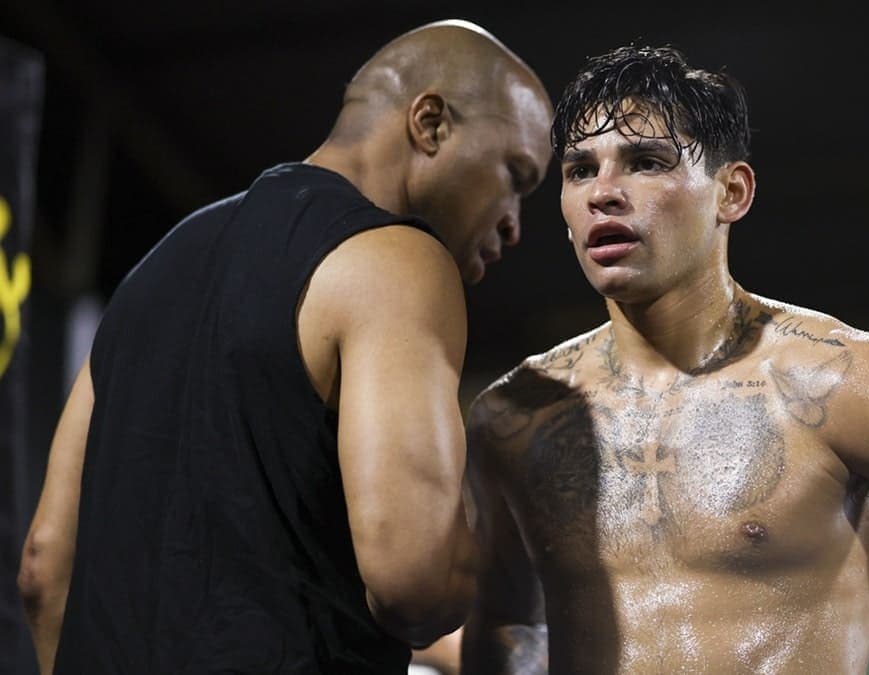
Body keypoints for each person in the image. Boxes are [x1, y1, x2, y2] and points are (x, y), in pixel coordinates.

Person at [461, 45, 869, 674]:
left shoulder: (845, 381)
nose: (603, 190)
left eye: (646, 161)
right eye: (582, 169)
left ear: (732, 192)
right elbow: (508, 627)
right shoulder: (516, 418)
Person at [17, 19, 552, 674]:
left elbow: (43, 566)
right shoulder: (402, 265)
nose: (514, 223)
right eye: (515, 176)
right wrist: (510, 527)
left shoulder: (153, 271)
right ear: (431, 123)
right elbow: (416, 581)